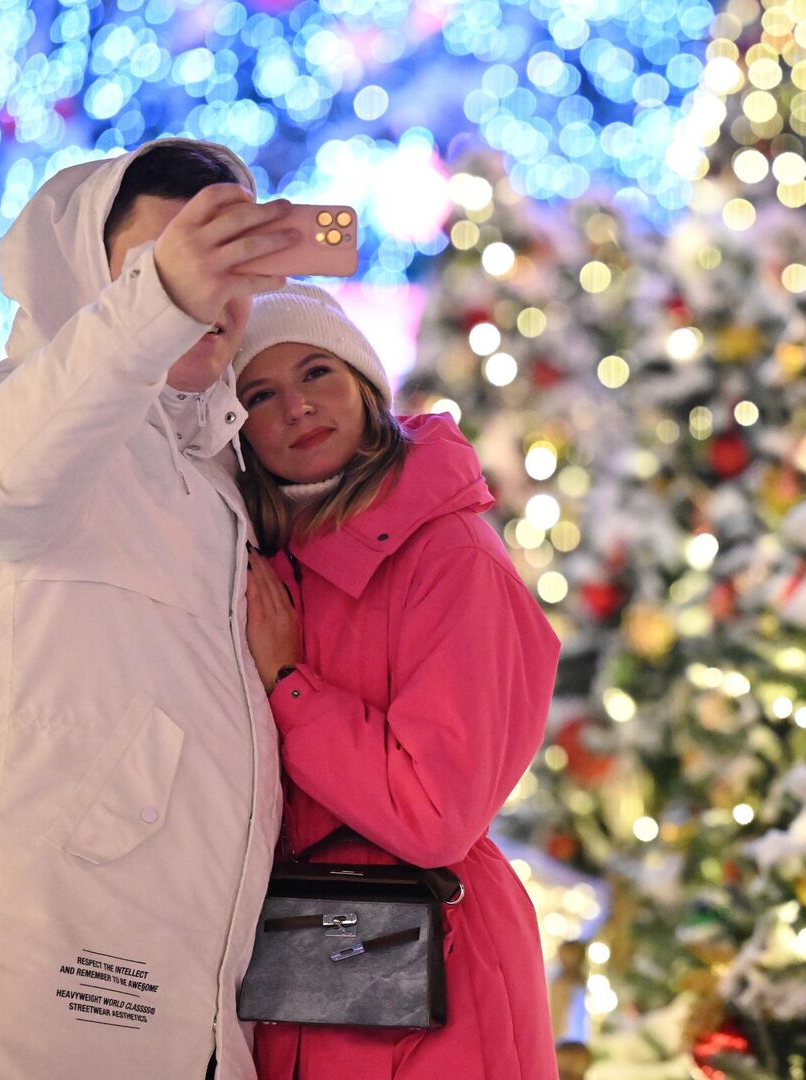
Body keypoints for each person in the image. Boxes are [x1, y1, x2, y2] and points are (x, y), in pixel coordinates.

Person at [0, 139, 300, 1079]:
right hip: (19, 989)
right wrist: (156, 307)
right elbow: (5, 492)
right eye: (160, 263)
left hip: (182, 988)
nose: (208, 297)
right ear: (88, 279)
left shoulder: (220, 475)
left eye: (227, 263)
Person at [231, 282, 561, 1078]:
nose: (297, 409)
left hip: (433, 983)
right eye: (261, 394)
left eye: (318, 374)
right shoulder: (260, 555)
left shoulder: (452, 558)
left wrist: (289, 683)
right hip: (304, 966)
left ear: (366, 387)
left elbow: (434, 812)